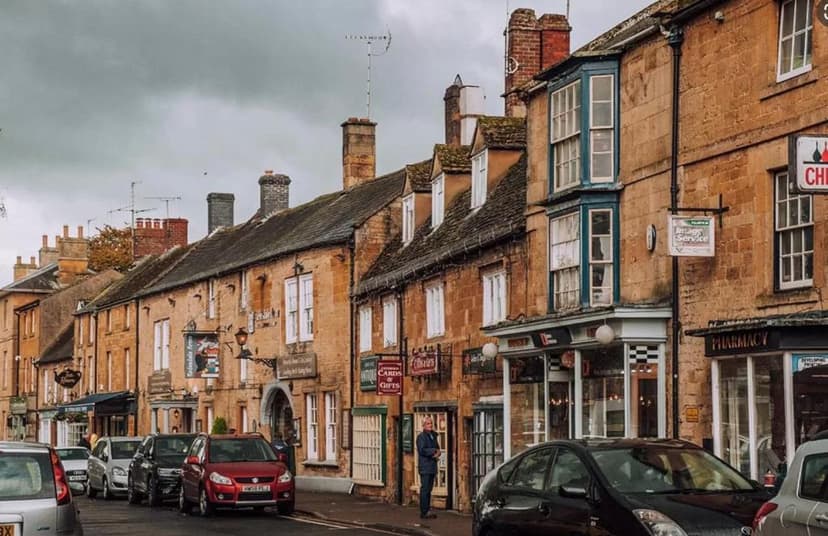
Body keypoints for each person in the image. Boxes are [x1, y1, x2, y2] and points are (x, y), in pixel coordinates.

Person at [416, 417, 441, 520]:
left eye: (431, 423)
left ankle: (427, 510)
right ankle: (424, 512)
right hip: (425, 467)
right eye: (427, 424)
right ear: (423, 425)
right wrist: (434, 451)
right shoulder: (421, 437)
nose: (430, 425)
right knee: (425, 489)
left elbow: (438, 448)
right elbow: (422, 450)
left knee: (429, 490)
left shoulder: (433, 436)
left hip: (432, 466)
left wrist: (438, 452)